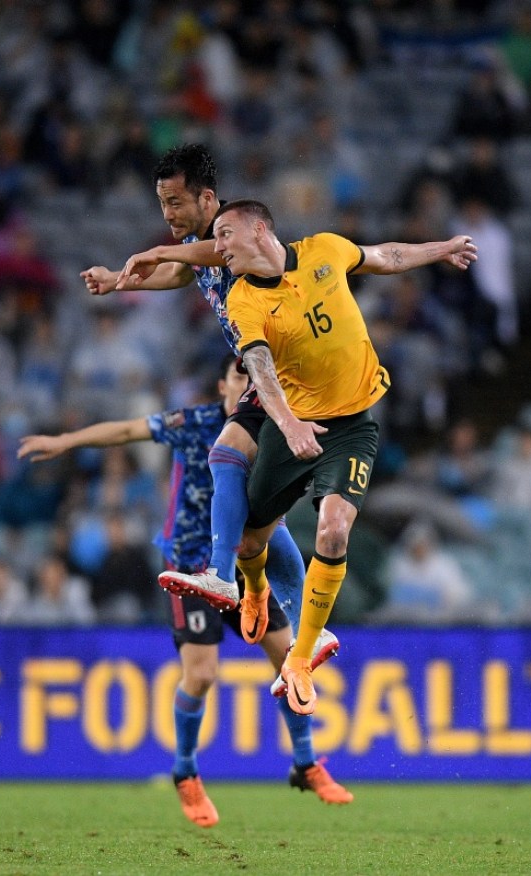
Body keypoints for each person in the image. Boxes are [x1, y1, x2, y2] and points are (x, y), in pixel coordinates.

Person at [18, 356, 352, 828]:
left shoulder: (276, 424)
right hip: (190, 563)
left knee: (290, 661)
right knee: (203, 672)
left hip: (245, 561)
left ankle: (305, 763)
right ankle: (185, 772)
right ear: (223, 385)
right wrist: (66, 441)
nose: (250, 386)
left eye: (257, 379)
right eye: (242, 377)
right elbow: (126, 431)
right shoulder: (193, 423)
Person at [194, 199, 476, 715]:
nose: (219, 248)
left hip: (350, 428)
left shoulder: (325, 250)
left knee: (332, 530)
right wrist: (288, 424)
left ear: (259, 230)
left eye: (225, 235)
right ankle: (255, 589)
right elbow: (259, 370)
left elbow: (385, 256)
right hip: (294, 422)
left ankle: (299, 658)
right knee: (251, 538)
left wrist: (442, 250)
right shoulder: (243, 303)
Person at [82, 144, 309, 675]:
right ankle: (267, 607)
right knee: (249, 502)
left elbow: (207, 257)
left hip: (294, 374)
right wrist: (122, 281)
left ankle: (242, 586)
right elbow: (185, 273)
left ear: (207, 198)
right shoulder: (192, 245)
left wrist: (157, 254)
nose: (168, 215)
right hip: (263, 377)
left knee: (249, 487)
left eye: (176, 202)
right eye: (162, 203)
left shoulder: (237, 232)